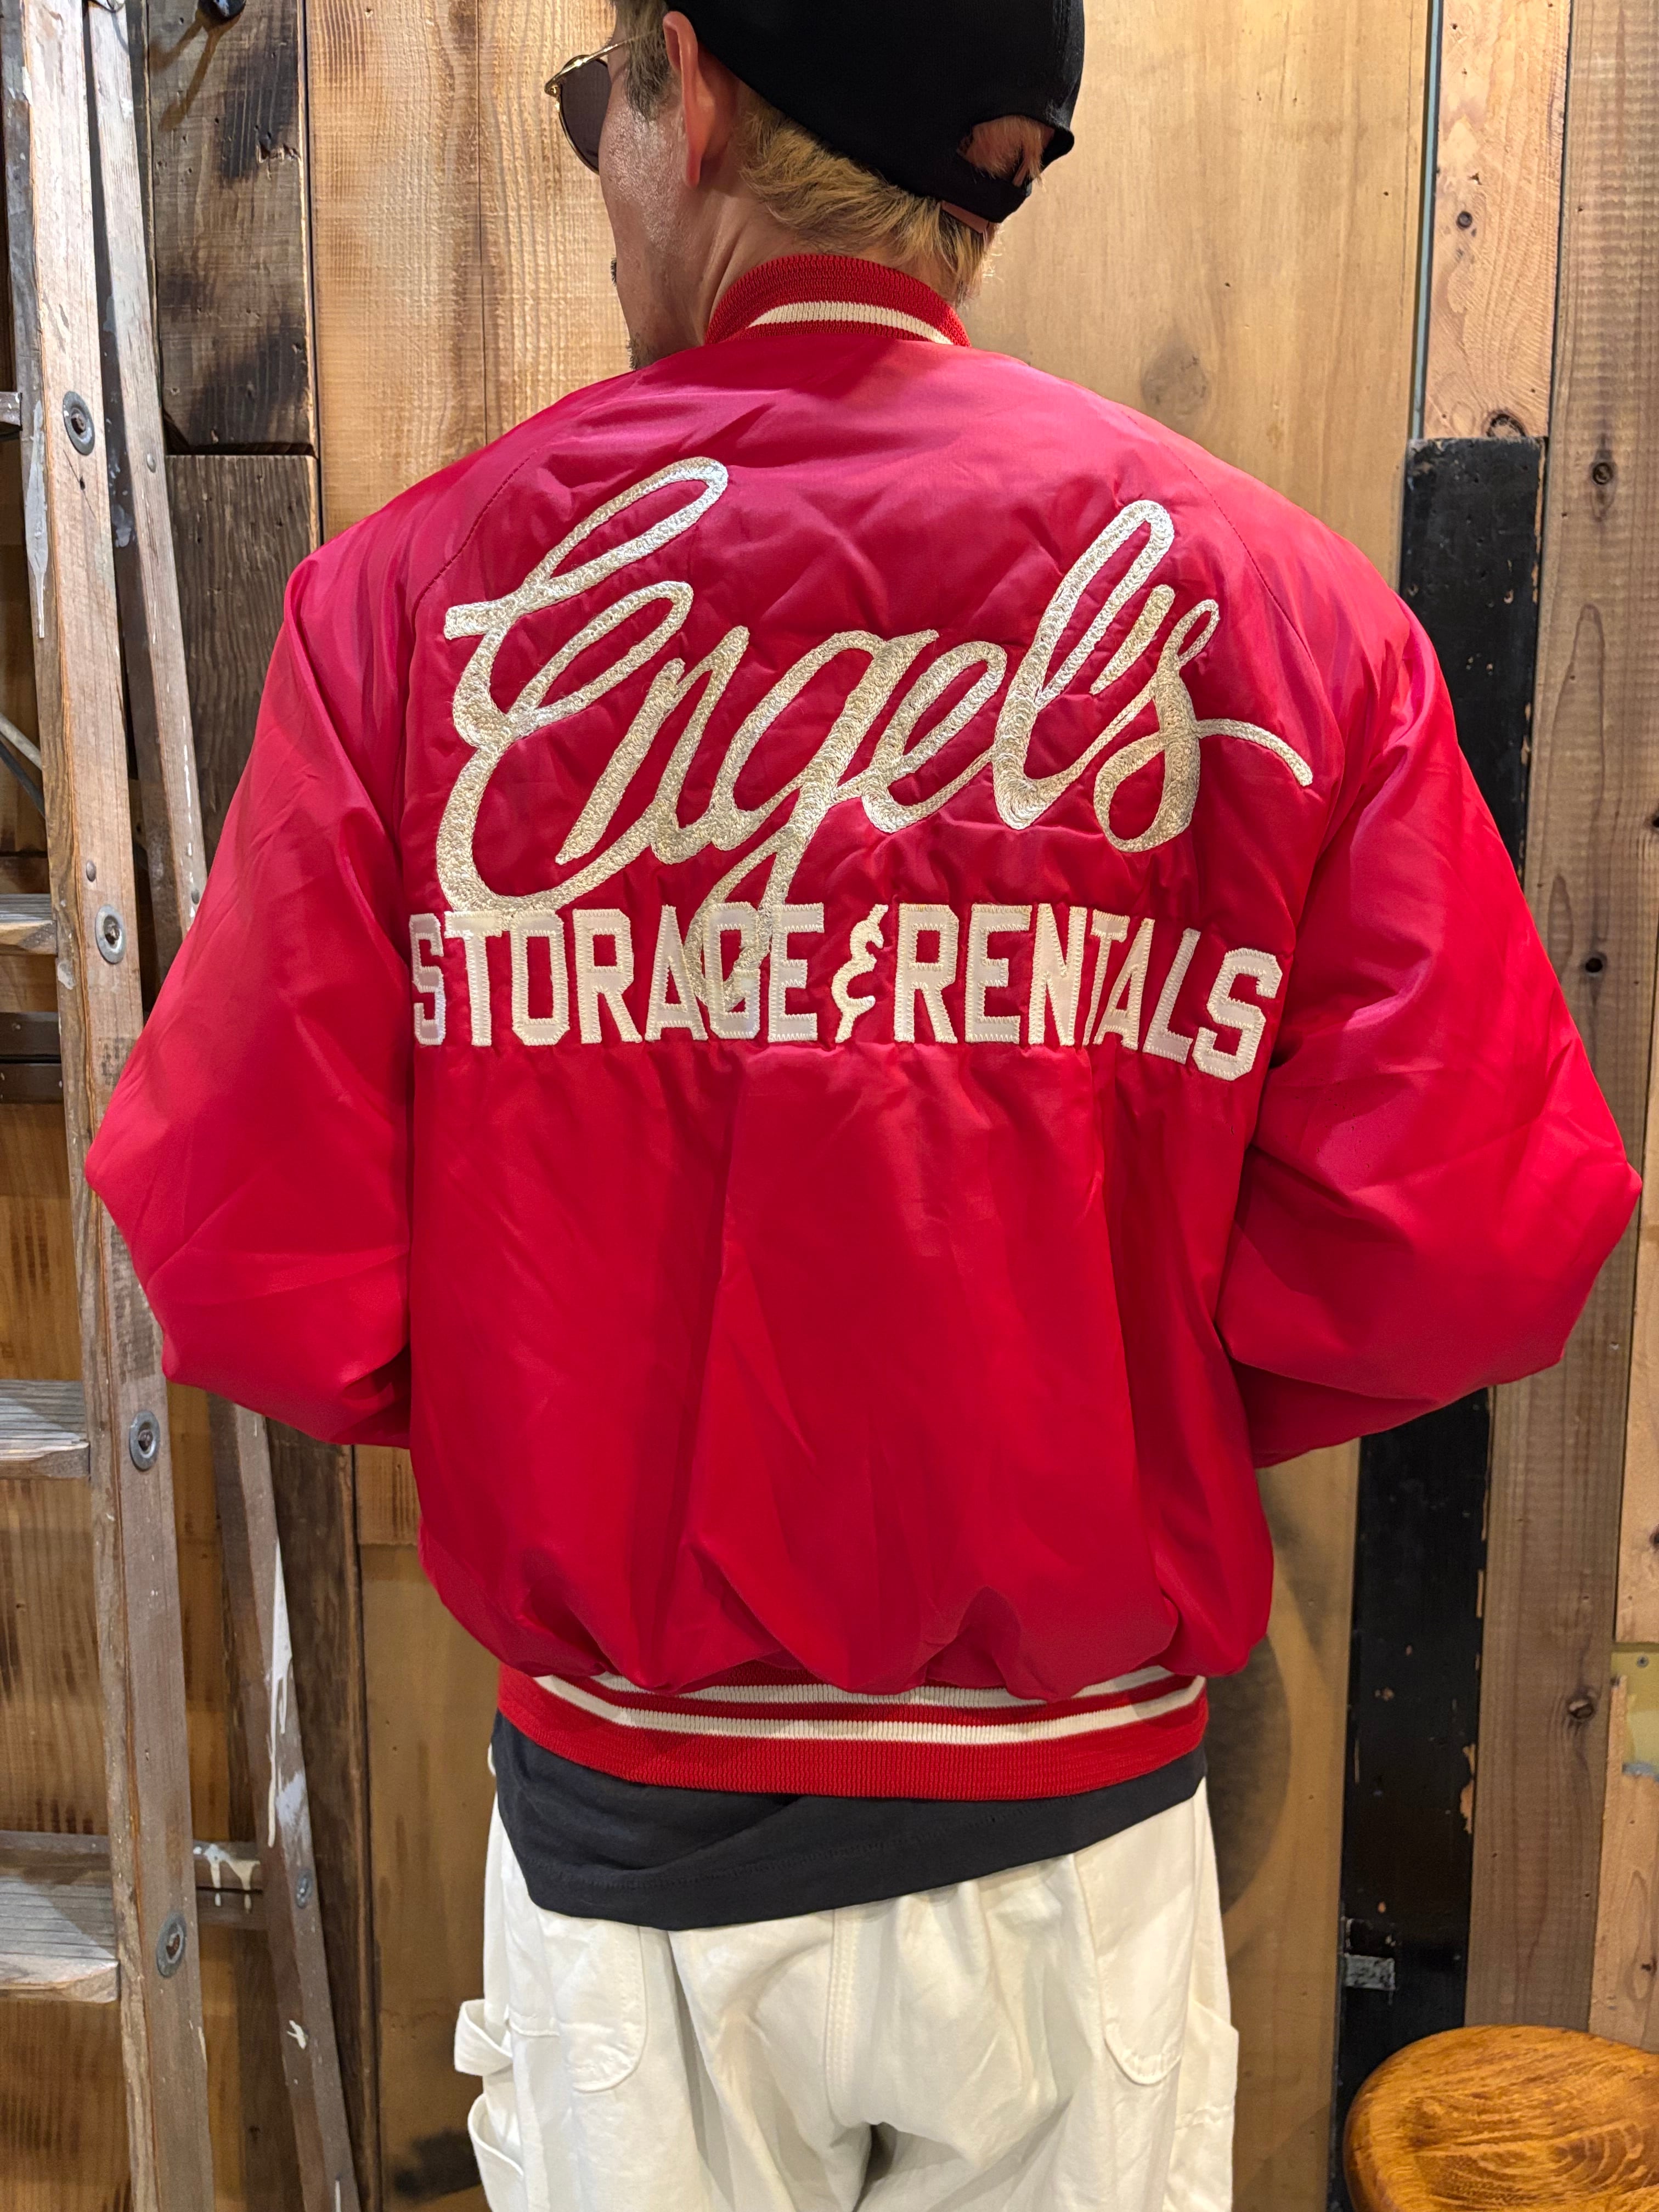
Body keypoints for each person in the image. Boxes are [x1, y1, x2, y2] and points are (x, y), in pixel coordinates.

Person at [84, 2, 1638, 2207]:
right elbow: (1471, 1233)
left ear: (695, 89)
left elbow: (257, 1261)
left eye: (594, 110)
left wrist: (575, 1398)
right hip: (1073, 1836)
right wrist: (1114, 1393)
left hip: (641, 1847)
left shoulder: (420, 610)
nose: (599, 174)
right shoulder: (1292, 621)